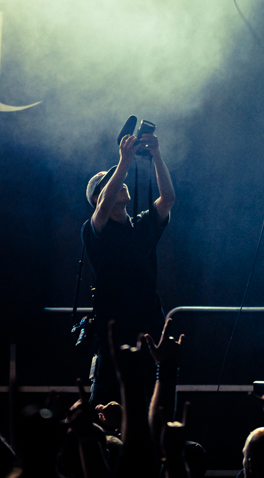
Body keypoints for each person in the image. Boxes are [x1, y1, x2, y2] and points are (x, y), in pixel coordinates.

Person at [82, 128, 176, 404]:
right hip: (114, 331)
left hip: (148, 326)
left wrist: (156, 154)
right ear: (96, 198)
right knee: (107, 402)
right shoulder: (95, 228)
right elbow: (103, 207)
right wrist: (124, 162)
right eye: (109, 182)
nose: (120, 182)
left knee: (151, 400)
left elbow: (168, 199)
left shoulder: (142, 225)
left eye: (118, 178)